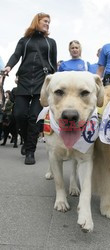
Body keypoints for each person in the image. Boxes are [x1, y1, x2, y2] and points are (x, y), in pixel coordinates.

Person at [3, 12, 57, 165]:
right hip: (24, 81)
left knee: (34, 116)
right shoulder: (24, 41)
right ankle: (27, 142)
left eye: (49, 22)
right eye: (45, 21)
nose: (47, 24)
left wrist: (55, 83)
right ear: (37, 21)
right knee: (19, 114)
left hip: (42, 81)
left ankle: (30, 151)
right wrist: (8, 67)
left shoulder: (51, 42)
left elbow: (53, 63)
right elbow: (16, 55)